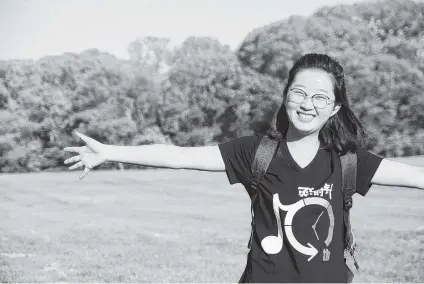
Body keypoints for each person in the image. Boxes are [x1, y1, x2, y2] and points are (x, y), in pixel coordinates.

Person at [64, 53, 424, 283]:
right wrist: (109, 151)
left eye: (320, 97)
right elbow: (181, 155)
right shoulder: (255, 152)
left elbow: (415, 176)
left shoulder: (348, 161)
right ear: (285, 96)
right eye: (299, 93)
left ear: (334, 109)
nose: (307, 104)